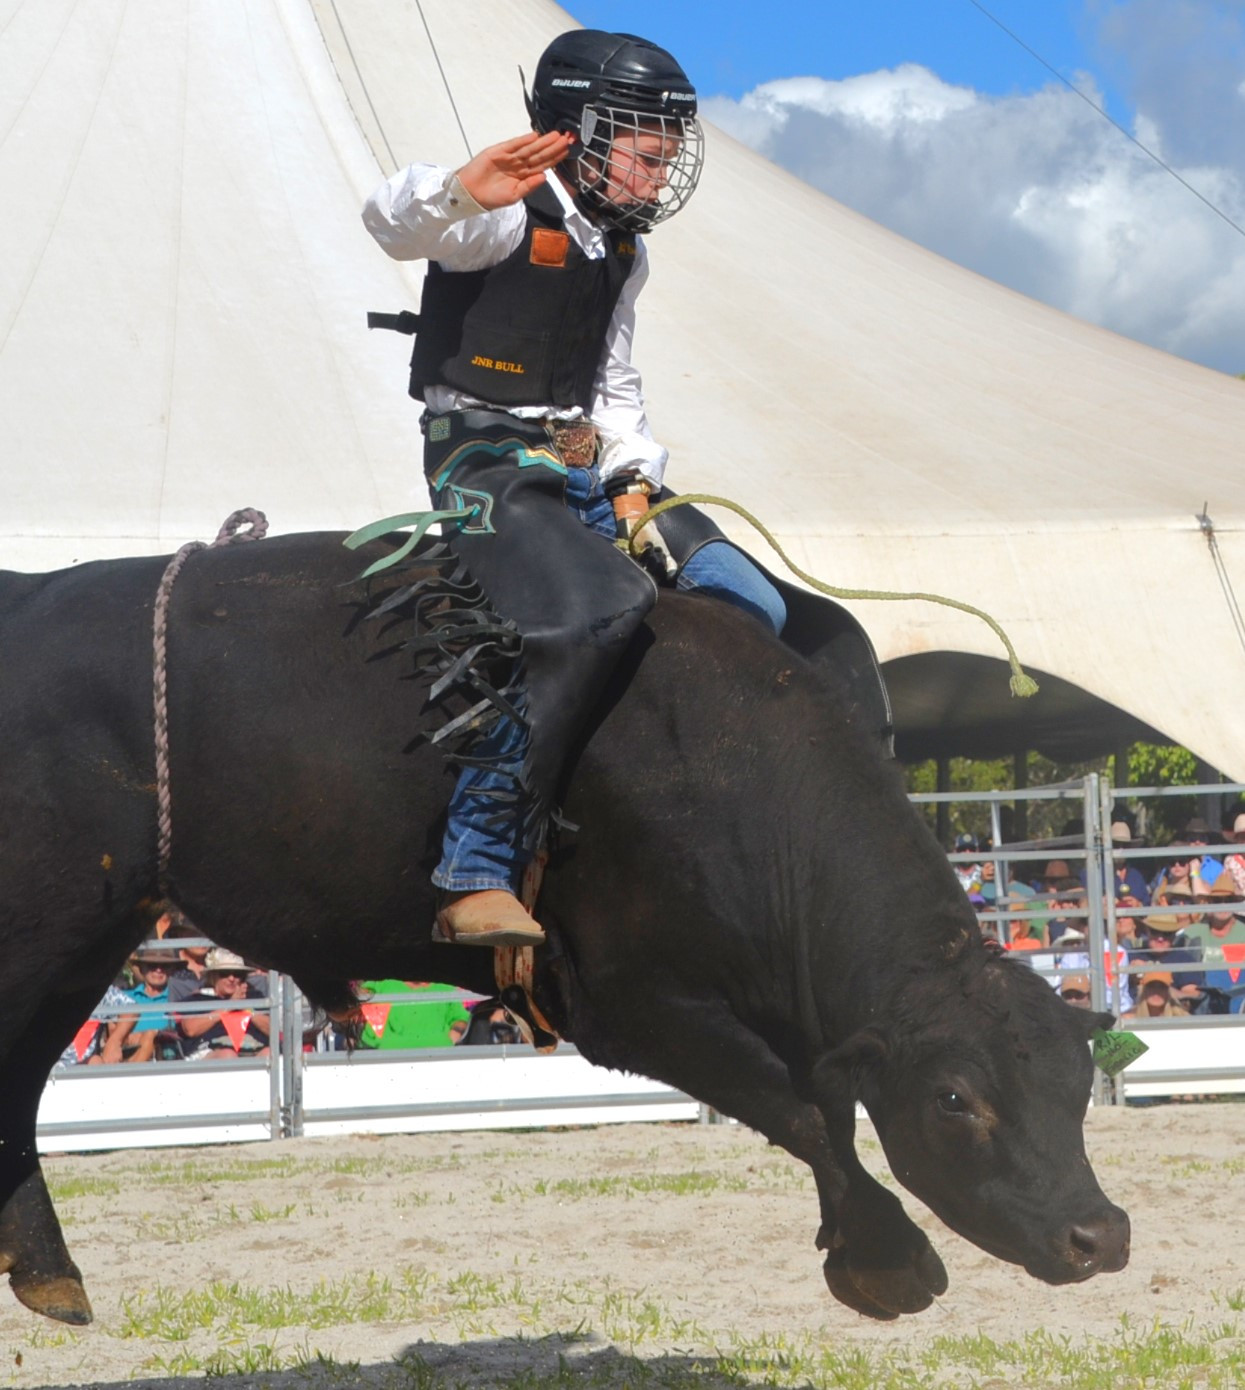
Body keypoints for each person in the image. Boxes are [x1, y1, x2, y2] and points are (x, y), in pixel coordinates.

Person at [363, 30, 787, 948]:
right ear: (582, 132)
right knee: (592, 610)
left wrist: (634, 479)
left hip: (588, 464)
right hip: (482, 461)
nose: (660, 171)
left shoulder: (625, 251)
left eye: (668, 154)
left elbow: (614, 386)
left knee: (749, 601)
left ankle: (628, 781)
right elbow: (393, 221)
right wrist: (457, 190)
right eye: (646, 152)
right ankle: (472, 865)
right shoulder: (502, 214)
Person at [175, 948, 271, 1059]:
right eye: (225, 973)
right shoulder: (198, 999)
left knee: (270, 1054)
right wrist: (228, 1006)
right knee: (228, 1055)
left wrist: (245, 1008)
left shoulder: (254, 997)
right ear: (213, 976)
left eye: (237, 974)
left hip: (253, 1048)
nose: (231, 978)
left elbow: (272, 1030)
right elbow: (190, 1030)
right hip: (212, 1051)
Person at [100, 947, 181, 1063]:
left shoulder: (178, 998)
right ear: (142, 969)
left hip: (163, 1059)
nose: (158, 970)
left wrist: (147, 1036)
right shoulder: (125, 997)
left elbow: (182, 1032)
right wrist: (127, 1038)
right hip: (125, 1054)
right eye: (152, 966)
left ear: (172, 970)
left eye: (164, 966)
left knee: (149, 1036)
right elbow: (111, 1032)